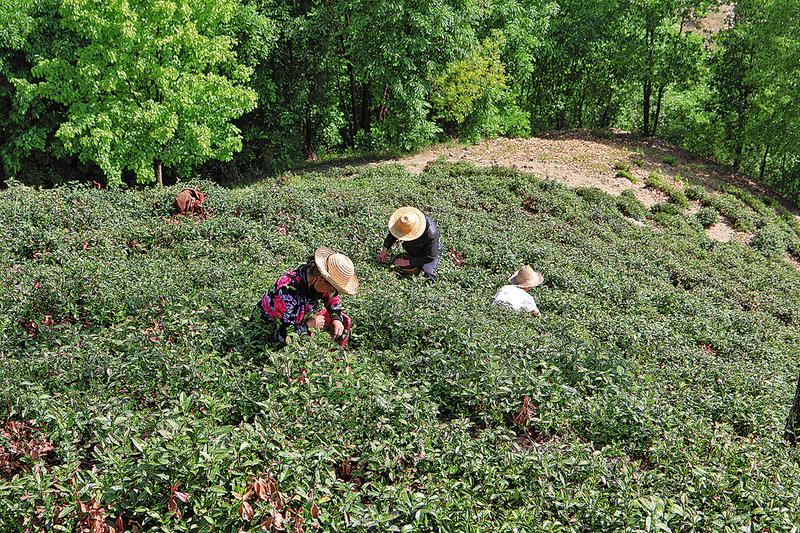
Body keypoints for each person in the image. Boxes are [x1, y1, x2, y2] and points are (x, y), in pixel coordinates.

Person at [257, 247, 359, 347]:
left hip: (296, 321)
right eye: (332, 289)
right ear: (320, 278)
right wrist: (310, 325)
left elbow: (332, 298)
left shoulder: (314, 279)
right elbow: (284, 337)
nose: (333, 293)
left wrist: (336, 318)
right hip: (267, 328)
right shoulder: (287, 292)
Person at [376, 206, 442, 283]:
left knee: (428, 271)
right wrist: (385, 249)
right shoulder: (404, 219)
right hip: (413, 246)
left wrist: (406, 262)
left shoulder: (430, 234)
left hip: (429, 251)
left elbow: (430, 256)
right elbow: (392, 235)